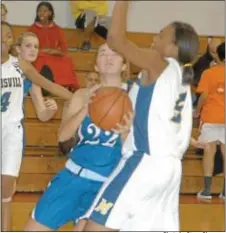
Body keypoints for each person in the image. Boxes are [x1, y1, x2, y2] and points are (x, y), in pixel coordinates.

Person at [80, 1, 199, 231]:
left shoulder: (160, 64)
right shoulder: (184, 77)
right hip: (171, 171)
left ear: (173, 46)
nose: (156, 36)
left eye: (161, 34)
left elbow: (115, 40)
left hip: (145, 163)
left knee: (94, 227)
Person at [24, 43, 131, 231]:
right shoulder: (82, 95)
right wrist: (85, 109)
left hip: (106, 185)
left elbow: (133, 151)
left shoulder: (133, 98)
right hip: (72, 177)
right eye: (103, 53)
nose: (108, 57)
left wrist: (124, 133)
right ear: (96, 65)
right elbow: (63, 137)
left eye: (114, 53)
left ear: (124, 65)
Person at [1, 20, 73, 231]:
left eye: (6, 35)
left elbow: (47, 85)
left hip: (12, 131)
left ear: (10, 39)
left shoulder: (20, 66)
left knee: (5, 190)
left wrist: (78, 97)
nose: (3, 37)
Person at [194, 42, 225, 200]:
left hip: (211, 116)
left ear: (218, 56)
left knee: (209, 152)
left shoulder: (209, 73)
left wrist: (197, 112)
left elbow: (204, 96)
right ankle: (225, 192)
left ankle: (207, 190)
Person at [28, 1, 78, 94]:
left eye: (45, 11)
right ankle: (44, 87)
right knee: (43, 60)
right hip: (38, 55)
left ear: (50, 13)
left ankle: (64, 86)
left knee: (67, 60)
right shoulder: (32, 29)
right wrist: (45, 51)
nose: (41, 13)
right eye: (39, 11)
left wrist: (56, 52)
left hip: (54, 55)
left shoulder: (57, 29)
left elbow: (64, 48)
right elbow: (29, 46)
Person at [16, 31, 58, 121]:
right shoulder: (5, 67)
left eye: (36, 47)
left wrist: (51, 110)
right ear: (18, 49)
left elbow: (42, 115)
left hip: (15, 128)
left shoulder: (34, 79)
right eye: (28, 46)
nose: (33, 50)